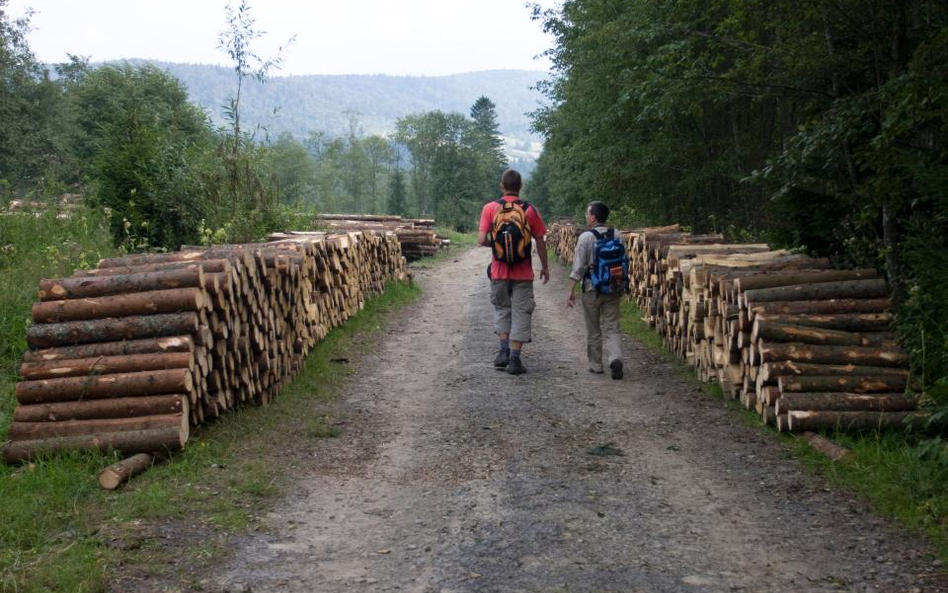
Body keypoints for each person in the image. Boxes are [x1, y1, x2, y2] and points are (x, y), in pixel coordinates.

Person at [477, 168, 550, 375]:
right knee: (521, 312)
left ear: (502, 186)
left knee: (502, 309)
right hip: (523, 273)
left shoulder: (490, 208)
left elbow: (481, 240)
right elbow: (540, 241)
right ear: (520, 186)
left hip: (499, 272)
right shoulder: (530, 210)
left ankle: (503, 352)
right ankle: (515, 360)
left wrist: (499, 247)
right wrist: (544, 267)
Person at [566, 201, 624, 379]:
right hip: (612, 287)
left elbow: (578, 267)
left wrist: (571, 290)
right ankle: (615, 358)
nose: (586, 215)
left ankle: (596, 365)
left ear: (593, 217)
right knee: (612, 327)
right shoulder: (617, 234)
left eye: (587, 212)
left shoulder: (586, 237)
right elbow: (624, 261)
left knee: (593, 328)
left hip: (592, 288)